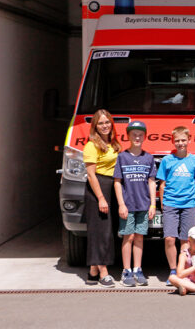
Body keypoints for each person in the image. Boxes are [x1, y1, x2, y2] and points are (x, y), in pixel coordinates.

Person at [157, 126, 195, 285]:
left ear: (189, 140)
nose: (180, 143)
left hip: (189, 204)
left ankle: (182, 271)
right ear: (173, 141)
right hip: (170, 203)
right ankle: (172, 269)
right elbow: (162, 184)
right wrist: (163, 202)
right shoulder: (167, 160)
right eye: (177, 140)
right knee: (170, 238)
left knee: (185, 240)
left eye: (183, 140)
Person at [113, 121, 157, 287]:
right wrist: (121, 204)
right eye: (134, 134)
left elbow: (151, 181)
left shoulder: (148, 158)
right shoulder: (122, 157)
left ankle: (138, 269)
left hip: (143, 205)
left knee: (139, 237)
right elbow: (117, 182)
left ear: (144, 137)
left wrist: (152, 205)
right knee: (128, 236)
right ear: (128, 136)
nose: (137, 137)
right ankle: (126, 270)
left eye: (140, 134)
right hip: (128, 205)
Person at [83, 109, 121, 287]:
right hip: (98, 189)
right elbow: (91, 175)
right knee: (101, 232)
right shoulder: (91, 145)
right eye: (101, 123)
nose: (105, 126)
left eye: (107, 122)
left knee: (107, 231)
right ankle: (103, 272)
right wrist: (101, 198)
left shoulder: (114, 144)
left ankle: (93, 271)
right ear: (95, 127)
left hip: (112, 187)